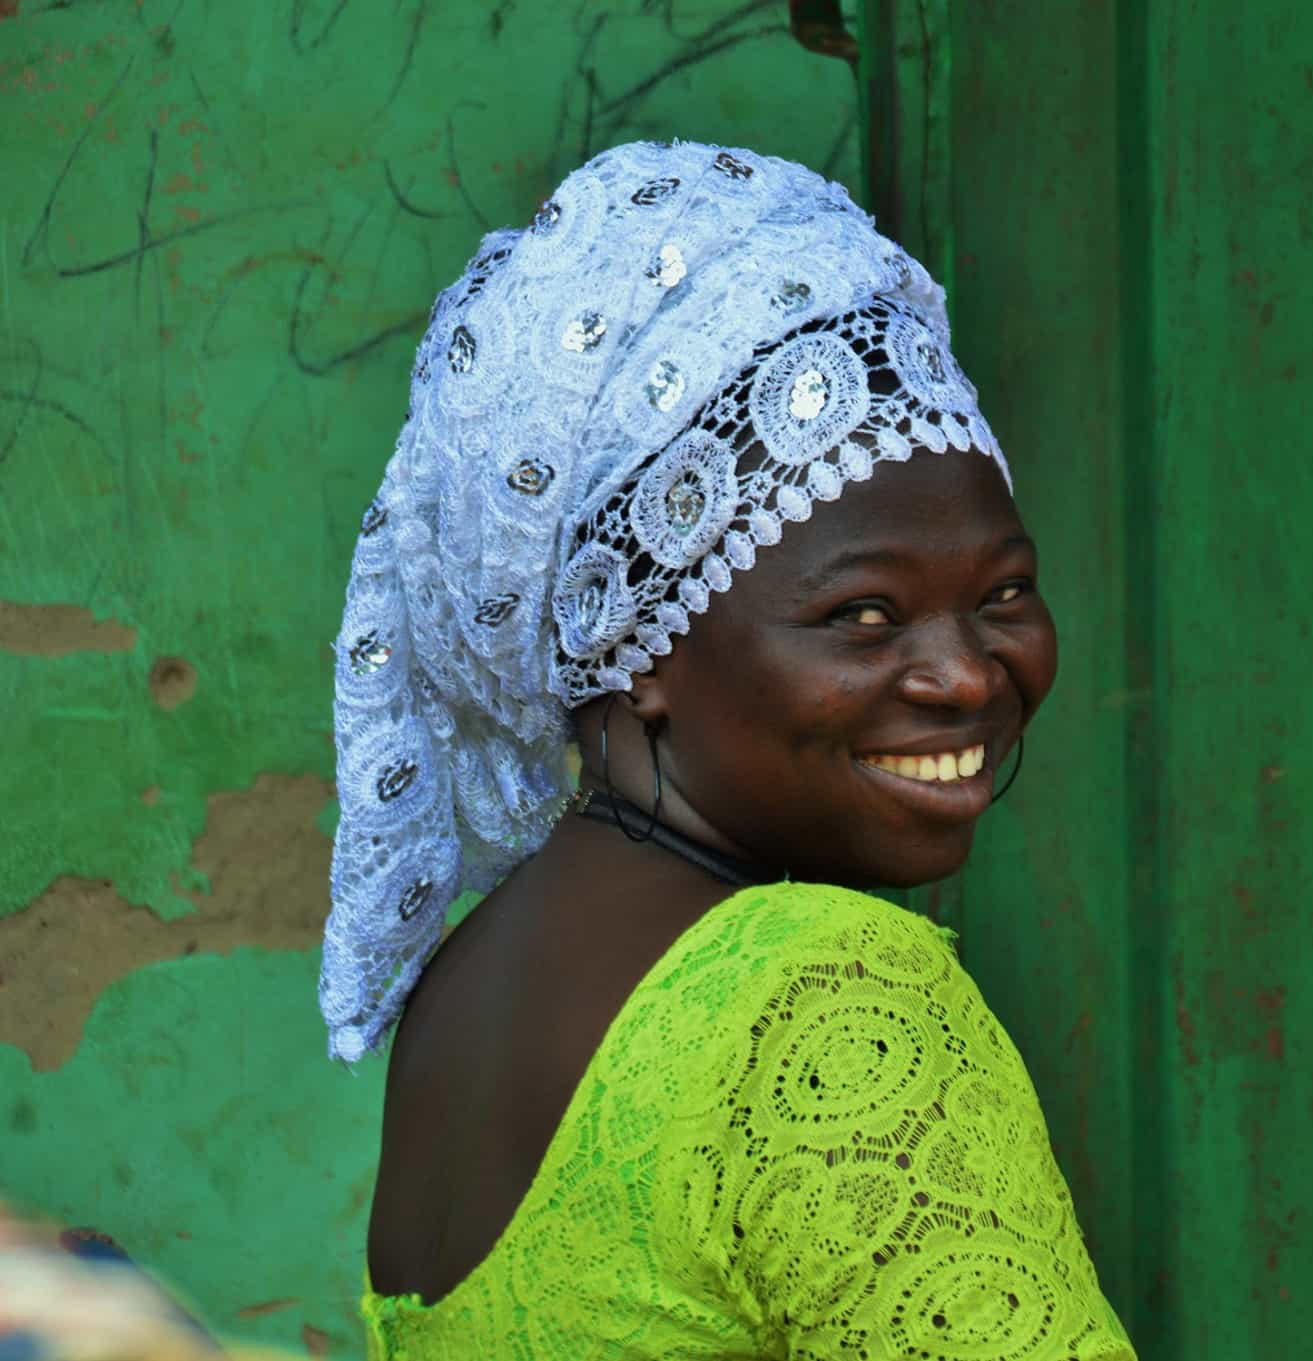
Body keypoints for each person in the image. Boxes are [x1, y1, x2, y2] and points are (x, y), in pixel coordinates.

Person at [319, 141, 1136, 1359]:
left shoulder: (465, 992)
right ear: (635, 642)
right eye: (862, 613)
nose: (966, 672)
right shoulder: (821, 995)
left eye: (1003, 592)